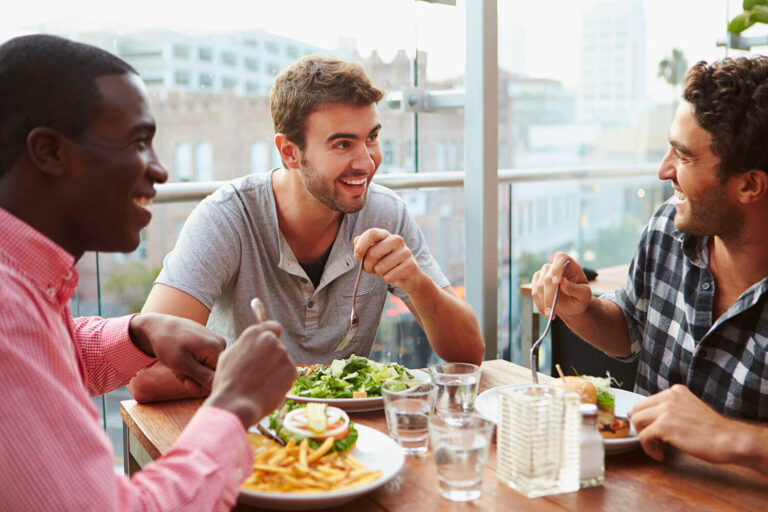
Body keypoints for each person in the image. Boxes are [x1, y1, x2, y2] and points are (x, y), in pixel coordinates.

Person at [0, 34, 298, 511]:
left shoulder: (20, 285)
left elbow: (40, 356)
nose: (159, 171)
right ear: (50, 152)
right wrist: (234, 406)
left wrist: (139, 332)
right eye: (139, 142)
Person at [129, 54, 484, 402]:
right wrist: (289, 378)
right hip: (244, 429)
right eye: (343, 144)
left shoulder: (385, 212)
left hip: (352, 436)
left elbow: (469, 354)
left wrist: (417, 284)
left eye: (372, 138)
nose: (366, 162)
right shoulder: (225, 219)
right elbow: (142, 375)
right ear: (289, 152)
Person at [531, 56, 768, 472]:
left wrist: (730, 436)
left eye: (685, 156)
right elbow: (632, 329)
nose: (663, 170)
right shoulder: (667, 229)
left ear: (749, 184)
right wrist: (582, 309)